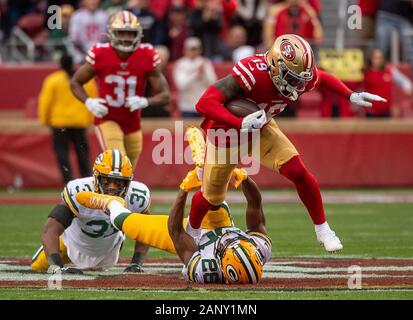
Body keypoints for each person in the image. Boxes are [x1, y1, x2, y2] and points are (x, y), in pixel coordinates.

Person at [185, 34, 387, 253]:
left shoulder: (300, 76)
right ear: (274, 65)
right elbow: (204, 103)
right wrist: (239, 122)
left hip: (260, 127)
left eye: (301, 79)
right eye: (293, 78)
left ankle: (323, 229)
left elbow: (322, 78)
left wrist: (349, 95)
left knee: (298, 172)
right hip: (226, 133)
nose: (299, 85)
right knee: (211, 197)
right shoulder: (251, 73)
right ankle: (191, 233)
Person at [75, 165, 271, 284]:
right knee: (214, 196)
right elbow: (256, 205)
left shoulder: (206, 269)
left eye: (227, 248)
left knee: (124, 222)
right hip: (220, 224)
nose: (229, 243)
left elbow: (176, 231)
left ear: (222, 263)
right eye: (236, 243)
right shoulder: (260, 249)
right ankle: (205, 170)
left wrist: (184, 189)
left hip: (191, 239)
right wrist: (245, 179)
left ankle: (109, 203)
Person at [70, 10, 170, 169]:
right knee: (118, 163)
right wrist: (88, 102)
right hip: (107, 117)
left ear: (139, 34)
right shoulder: (100, 53)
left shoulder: (146, 54)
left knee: (128, 171)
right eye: (121, 32)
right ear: (111, 33)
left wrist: (145, 101)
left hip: (133, 122)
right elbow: (75, 82)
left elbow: (165, 96)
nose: (126, 38)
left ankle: (113, 193)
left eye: (130, 33)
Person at [31, 149, 151, 274]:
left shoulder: (136, 196)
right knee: (37, 267)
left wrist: (136, 263)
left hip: (108, 250)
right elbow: (50, 230)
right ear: (96, 178)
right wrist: (56, 267)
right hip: (70, 244)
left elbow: (146, 230)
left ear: (128, 182)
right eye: (107, 180)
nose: (112, 187)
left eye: (118, 182)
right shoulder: (79, 191)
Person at [38, 54, 97, 185]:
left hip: (59, 123)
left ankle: (68, 182)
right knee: (82, 154)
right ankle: (87, 182)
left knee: (62, 154)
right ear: (74, 64)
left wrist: (45, 119)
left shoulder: (53, 80)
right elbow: (93, 100)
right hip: (79, 122)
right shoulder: (86, 80)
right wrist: (90, 120)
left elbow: (45, 102)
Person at [361, 48, 413, 118]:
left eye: (380, 58)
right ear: (371, 59)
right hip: (371, 112)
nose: (378, 60)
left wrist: (407, 87)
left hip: (386, 112)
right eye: (376, 58)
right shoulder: (366, 72)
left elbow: (404, 81)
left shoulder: (390, 70)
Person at [173, 37, 217, 117]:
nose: (193, 52)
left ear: (200, 50)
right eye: (191, 49)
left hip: (203, 106)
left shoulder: (205, 63)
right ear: (185, 50)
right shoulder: (180, 64)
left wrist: (203, 75)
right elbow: (181, 85)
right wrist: (196, 74)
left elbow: (212, 83)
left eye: (195, 49)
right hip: (186, 107)